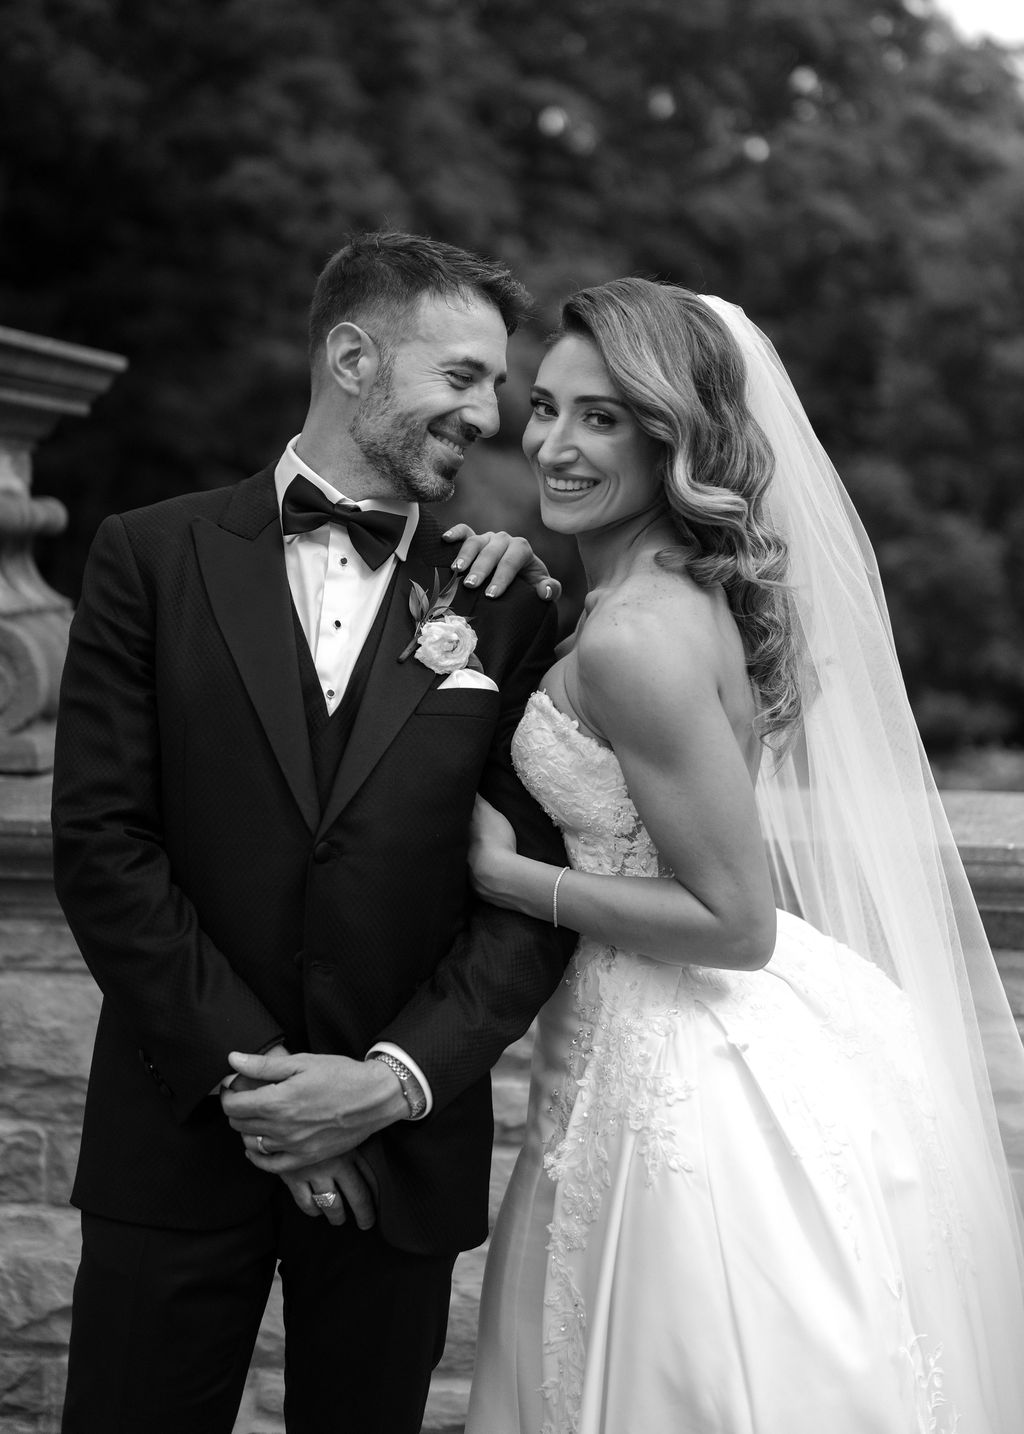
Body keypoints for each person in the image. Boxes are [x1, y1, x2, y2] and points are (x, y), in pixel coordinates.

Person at [464, 276, 1024, 1433]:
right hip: (665, 1025)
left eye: (601, 418)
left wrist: (513, 879)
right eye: (547, 407)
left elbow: (735, 920)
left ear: (674, 435)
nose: (554, 444)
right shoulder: (644, 589)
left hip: (676, 1050)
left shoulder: (634, 637)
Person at [51, 230, 576, 1434]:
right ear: (352, 356)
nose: (489, 416)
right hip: (177, 1133)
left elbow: (532, 890)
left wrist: (381, 1087)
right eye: (462, 376)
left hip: (402, 1148)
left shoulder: (507, 603)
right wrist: (273, 1100)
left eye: (496, 386)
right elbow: (105, 847)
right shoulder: (150, 556)